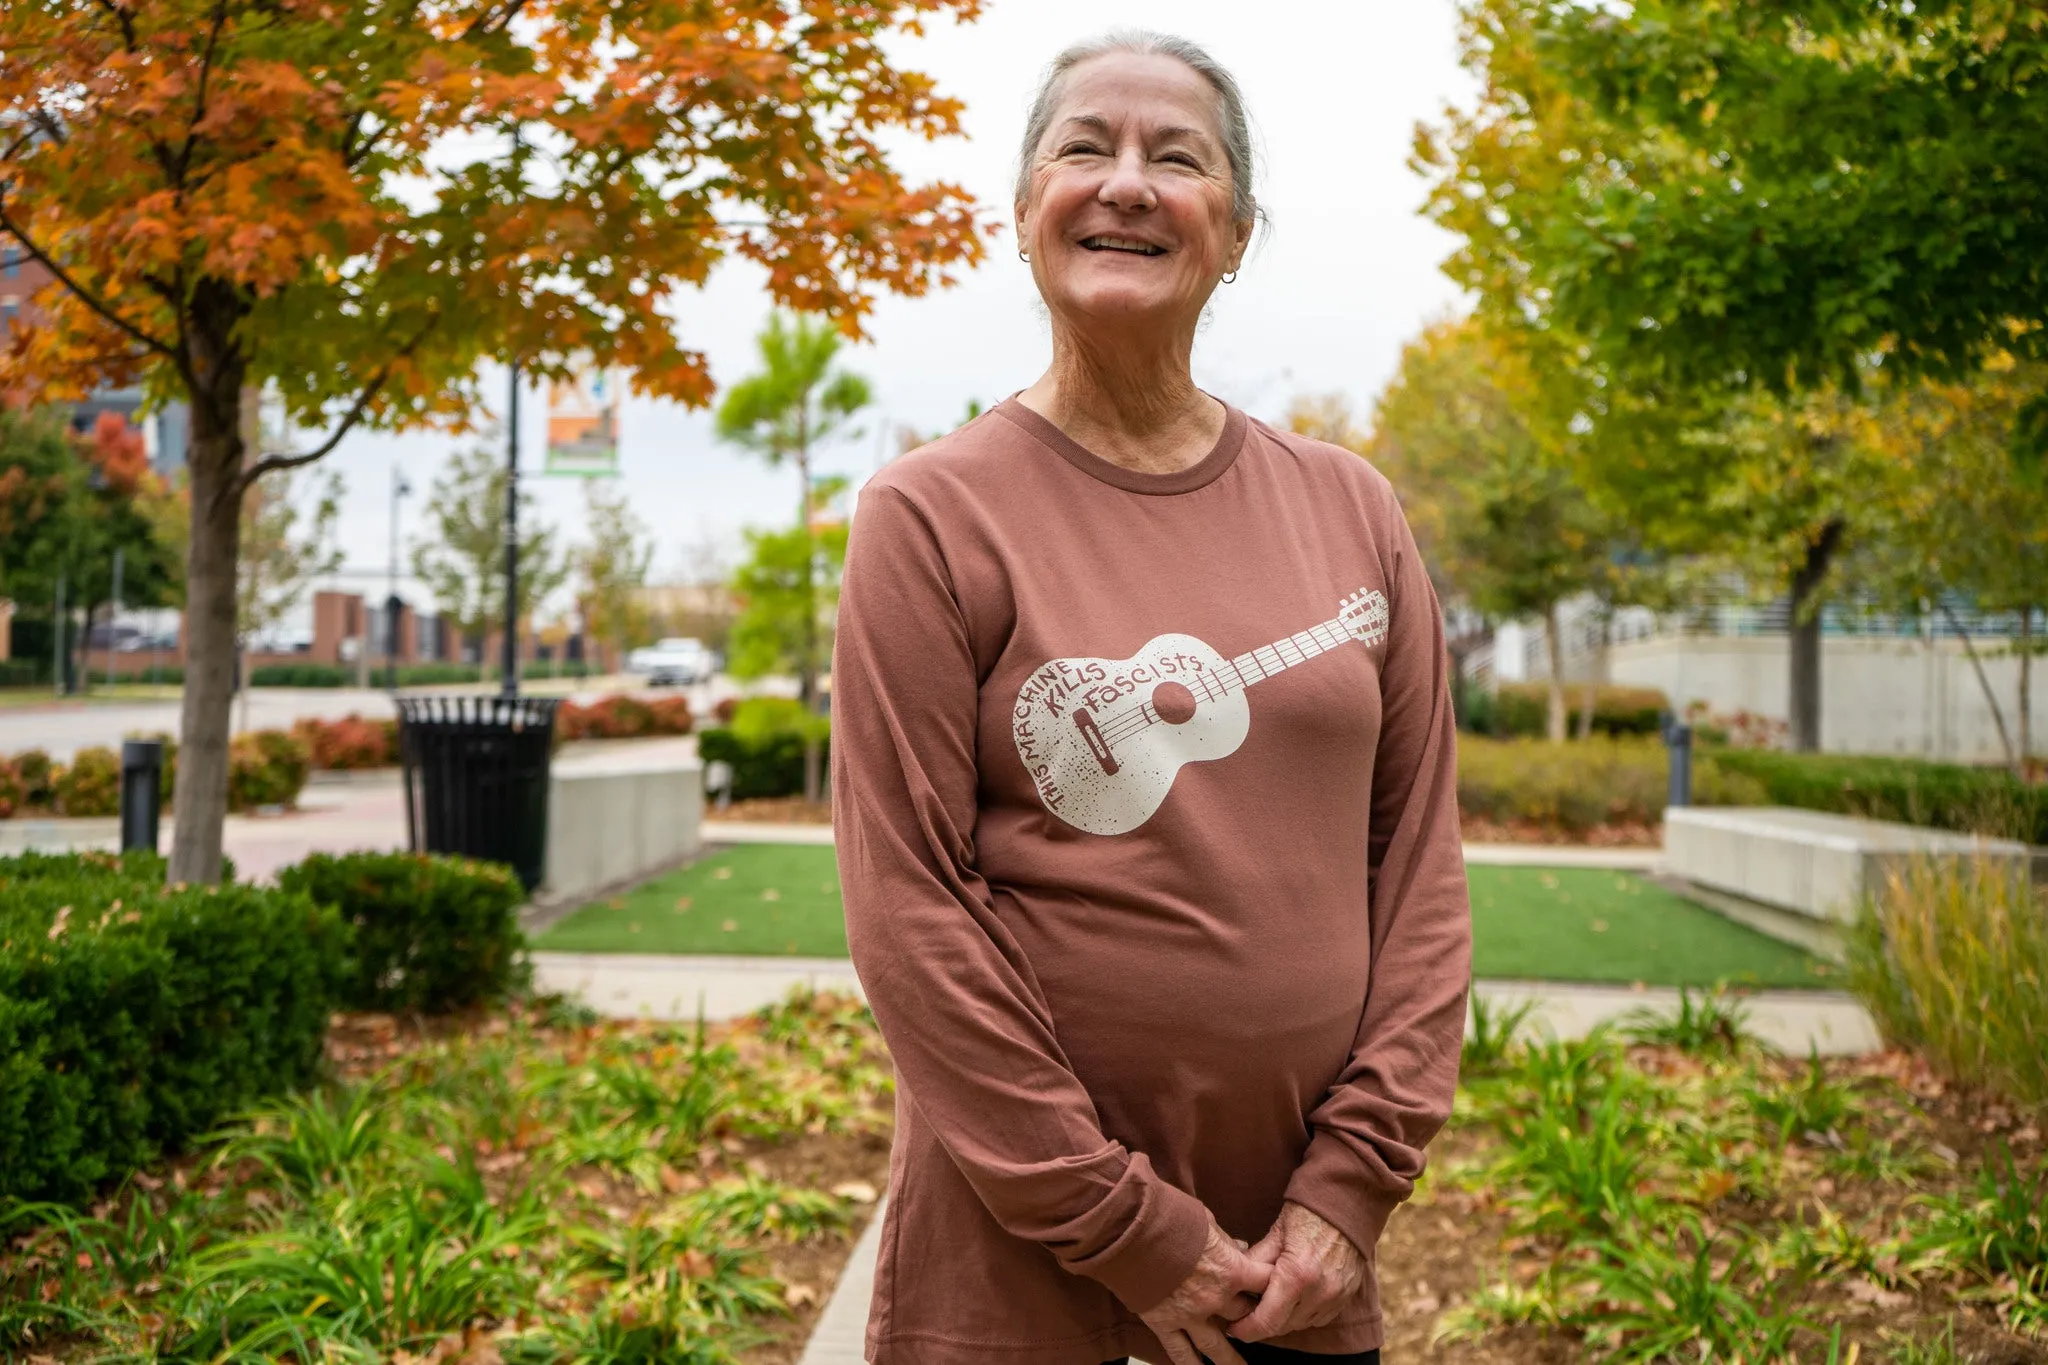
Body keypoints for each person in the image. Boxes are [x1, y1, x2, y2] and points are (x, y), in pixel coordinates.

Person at [831, 29, 1472, 1365]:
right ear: (1022, 216)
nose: (1127, 183)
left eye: (1176, 159)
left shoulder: (1350, 507)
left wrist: (1350, 1193)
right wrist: (1128, 1232)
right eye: (1085, 147)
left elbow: (1418, 873)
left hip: (1295, 1267)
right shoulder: (931, 514)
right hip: (1020, 1259)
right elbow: (910, 905)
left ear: (1234, 234)